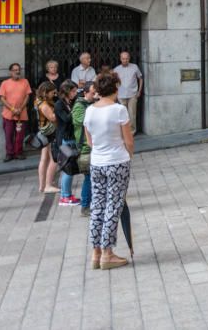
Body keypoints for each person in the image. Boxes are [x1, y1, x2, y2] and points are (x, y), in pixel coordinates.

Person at [84, 72, 135, 270]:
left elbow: (89, 141)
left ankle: (95, 252)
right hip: (117, 161)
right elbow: (128, 140)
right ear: (115, 87)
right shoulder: (118, 110)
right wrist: (129, 154)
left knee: (98, 205)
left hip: (97, 162)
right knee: (113, 206)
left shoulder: (90, 111)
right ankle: (107, 253)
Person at [55, 80, 81, 206]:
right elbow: (65, 119)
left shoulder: (70, 103)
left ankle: (67, 194)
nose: (75, 94)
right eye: (73, 91)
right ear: (67, 91)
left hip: (71, 138)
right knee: (67, 169)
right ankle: (65, 196)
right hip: (64, 139)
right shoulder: (59, 104)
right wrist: (75, 110)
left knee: (70, 167)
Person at [0, 63, 31, 162]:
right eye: (15, 70)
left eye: (18, 69)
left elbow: (27, 96)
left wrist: (20, 108)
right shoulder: (5, 83)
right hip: (8, 114)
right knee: (9, 135)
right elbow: (2, 98)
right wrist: (12, 109)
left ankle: (18, 153)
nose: (17, 71)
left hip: (22, 114)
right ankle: (9, 153)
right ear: (11, 72)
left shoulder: (25, 81)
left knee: (19, 135)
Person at [73, 81, 97, 216]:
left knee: (94, 178)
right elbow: (86, 122)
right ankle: (85, 206)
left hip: (94, 146)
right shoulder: (79, 106)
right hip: (85, 148)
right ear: (85, 92)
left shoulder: (92, 104)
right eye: (93, 93)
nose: (95, 95)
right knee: (88, 178)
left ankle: (92, 204)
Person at [34, 81, 60, 194]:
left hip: (43, 130)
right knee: (54, 159)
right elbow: (53, 117)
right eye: (52, 93)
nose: (53, 95)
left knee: (44, 158)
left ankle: (42, 185)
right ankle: (48, 185)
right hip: (49, 132)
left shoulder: (38, 100)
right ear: (46, 92)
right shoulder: (44, 104)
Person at [113, 51, 143, 133]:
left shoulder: (134, 67)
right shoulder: (116, 69)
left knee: (132, 114)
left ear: (129, 58)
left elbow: (140, 78)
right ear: (120, 59)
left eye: (126, 58)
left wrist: (139, 91)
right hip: (121, 95)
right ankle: (123, 132)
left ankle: (132, 132)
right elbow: (114, 82)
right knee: (122, 115)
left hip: (132, 94)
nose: (125, 60)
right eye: (123, 59)